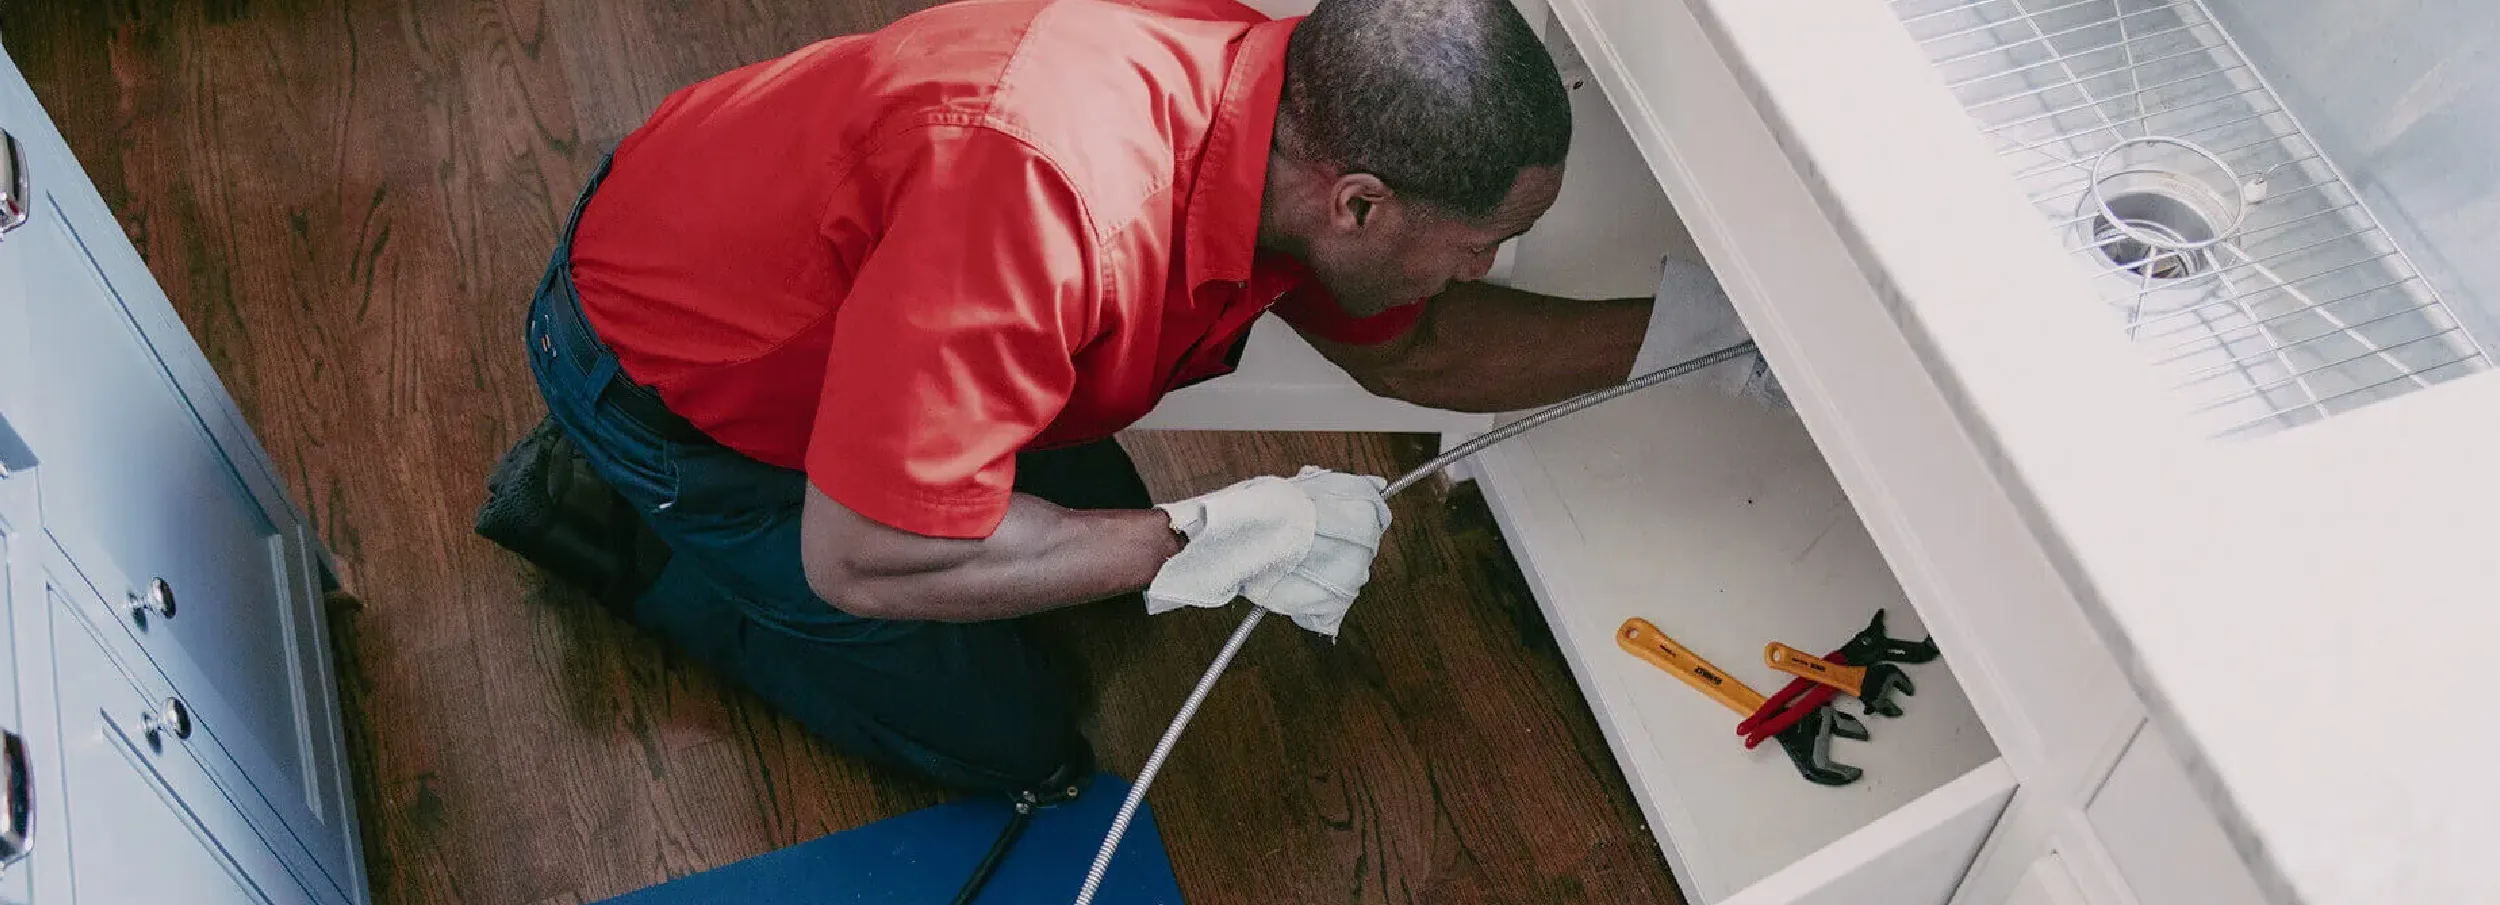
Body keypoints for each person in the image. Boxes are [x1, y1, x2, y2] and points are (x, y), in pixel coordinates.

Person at [502, 0, 1661, 804]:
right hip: (670, 381)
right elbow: (858, 552)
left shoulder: (1282, 99)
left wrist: (1693, 328)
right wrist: (1197, 532)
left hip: (836, 277)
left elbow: (1423, 354)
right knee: (1012, 736)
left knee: (1082, 583)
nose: (1482, 270)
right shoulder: (1047, 206)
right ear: (1357, 203)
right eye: (1481, 245)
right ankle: (604, 510)